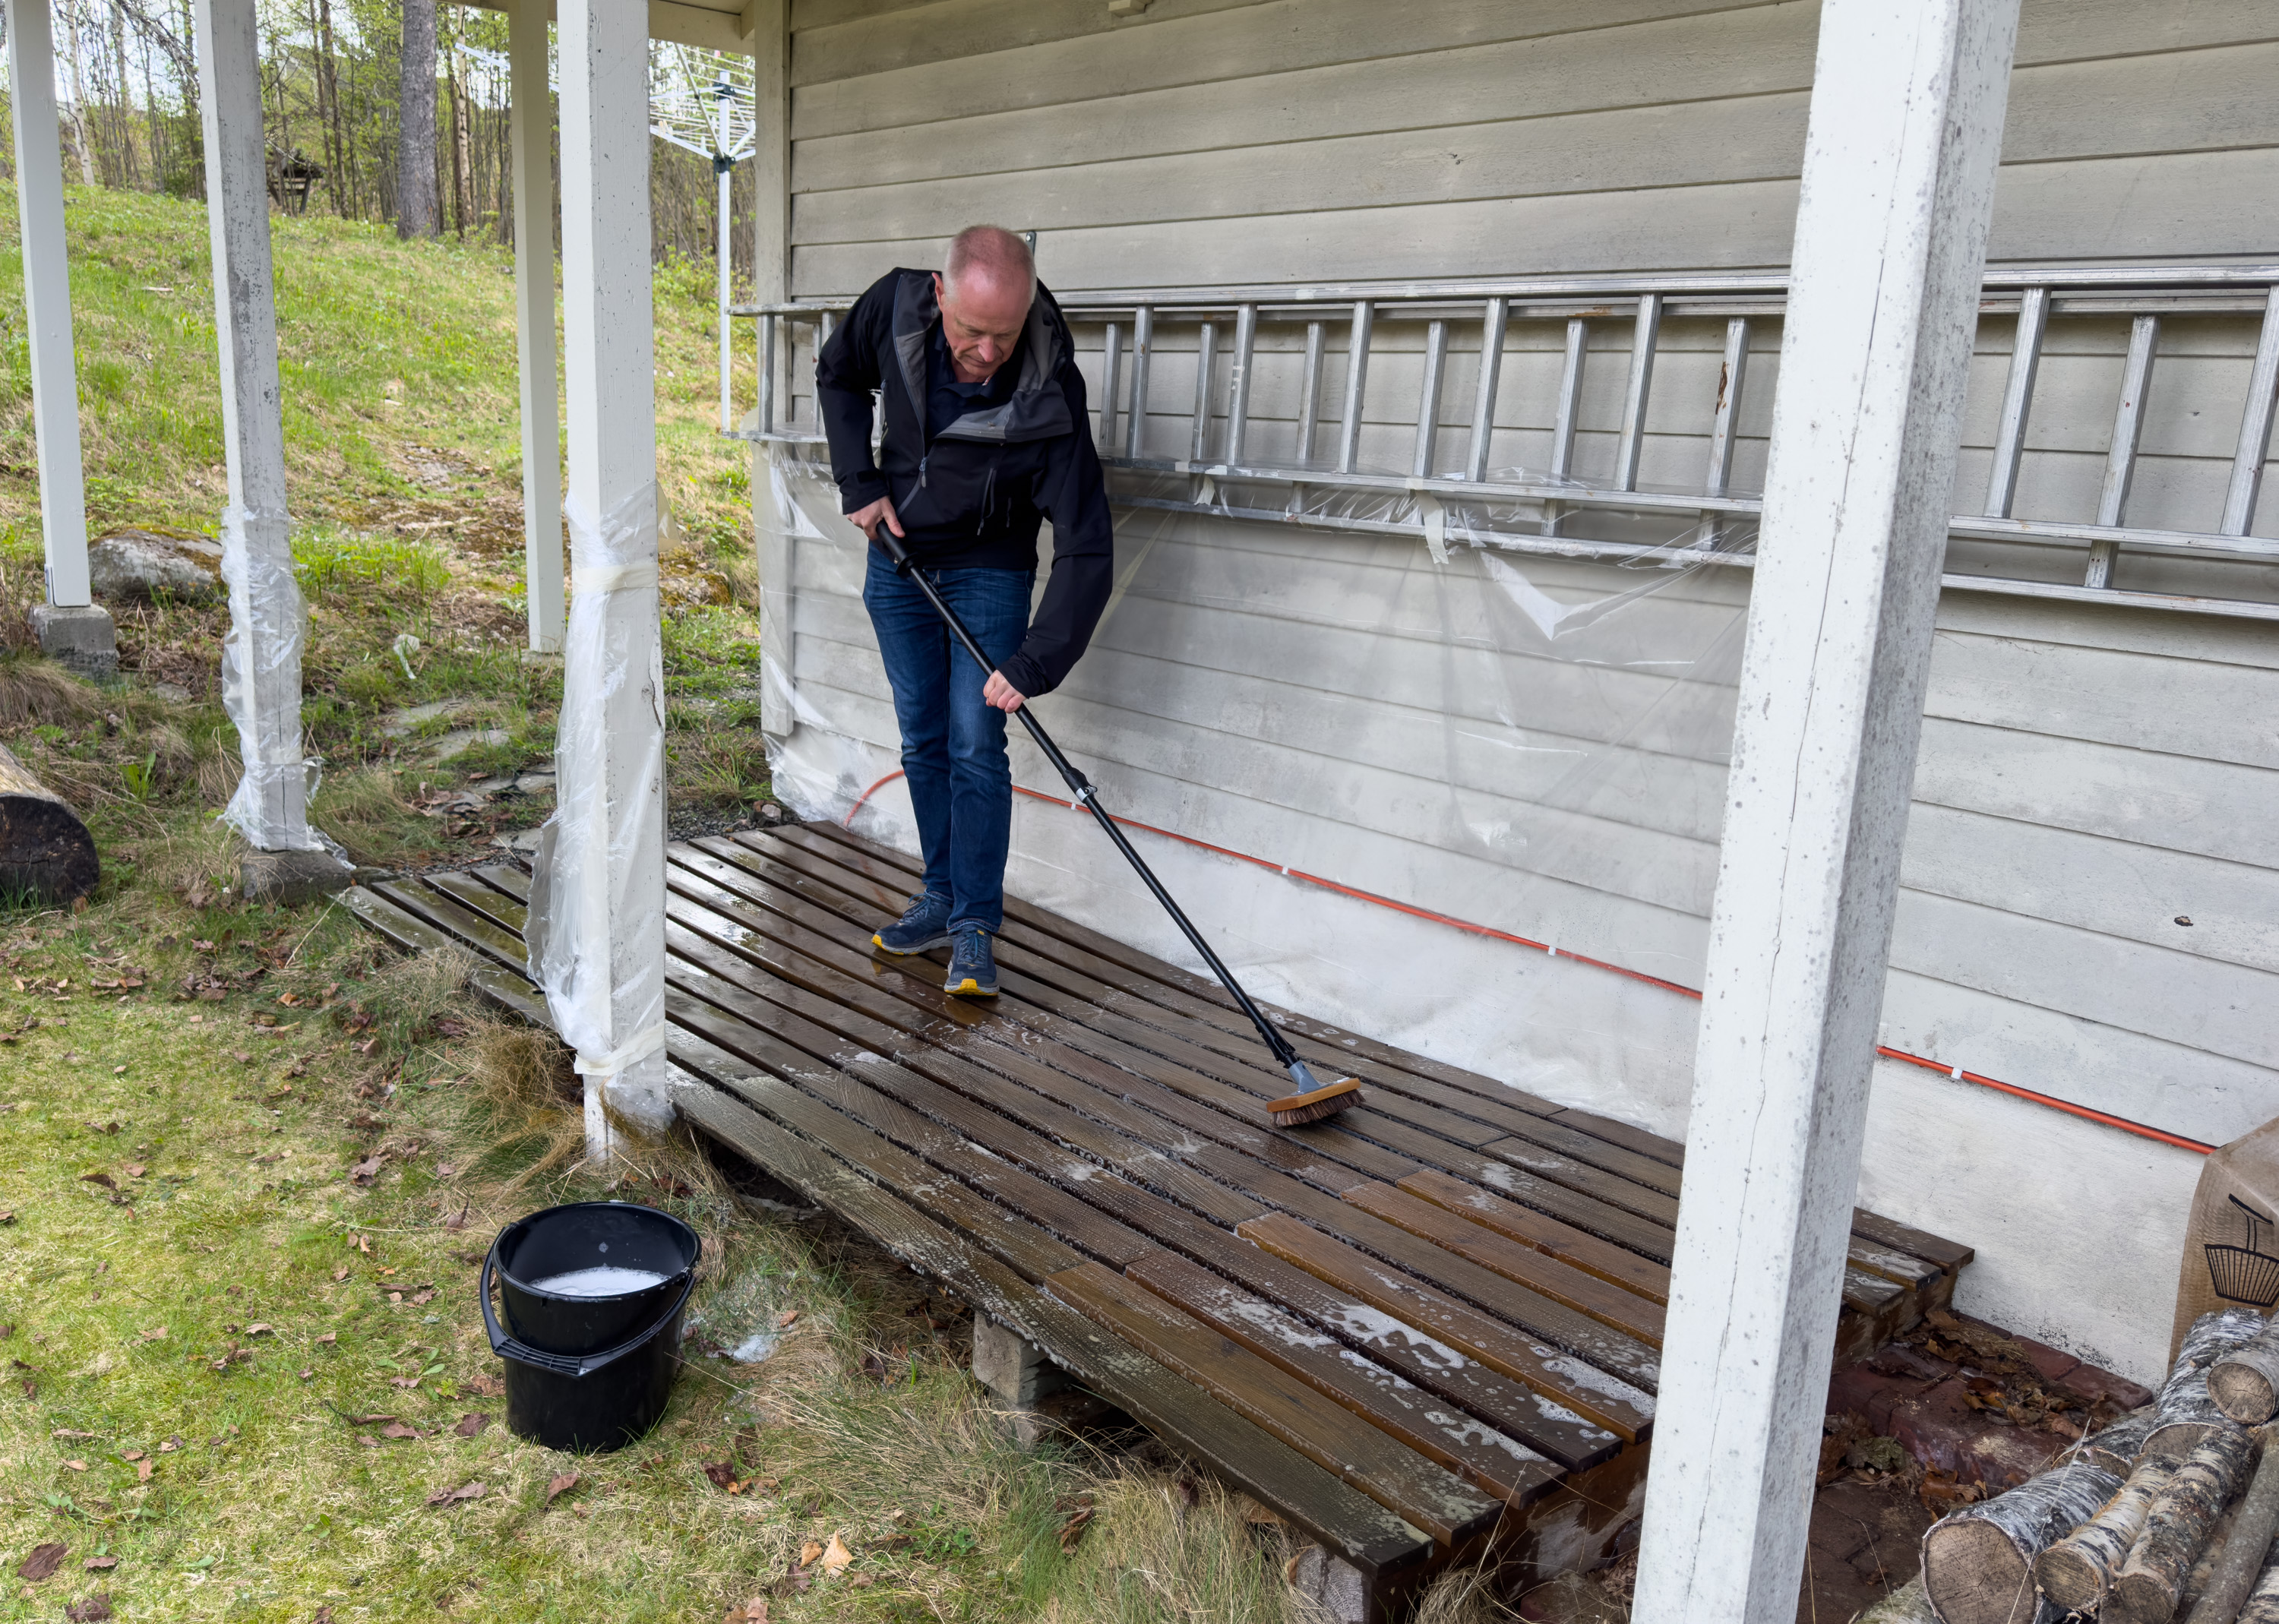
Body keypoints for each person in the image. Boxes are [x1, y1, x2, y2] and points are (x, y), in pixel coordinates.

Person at [814, 226, 1114, 997]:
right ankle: (940, 896)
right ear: (940, 294)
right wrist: (860, 481)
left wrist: (1035, 659)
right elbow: (838, 375)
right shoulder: (892, 305)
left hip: (989, 568)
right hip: (900, 559)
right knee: (925, 738)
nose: (985, 351)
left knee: (977, 744)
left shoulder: (1050, 381)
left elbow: (1085, 539)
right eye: (970, 332)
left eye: (1003, 335)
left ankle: (976, 925)